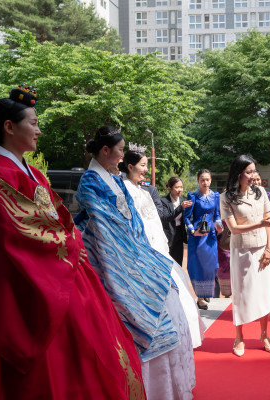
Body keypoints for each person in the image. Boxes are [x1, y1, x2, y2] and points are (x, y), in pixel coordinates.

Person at [0, 88, 145, 399]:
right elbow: (20, 228)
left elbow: (60, 213)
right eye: (33, 123)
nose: (38, 130)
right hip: (16, 275)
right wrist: (69, 244)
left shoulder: (31, 172)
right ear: (9, 127)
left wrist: (71, 238)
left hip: (56, 263)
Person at [75, 126, 195, 399]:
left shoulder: (115, 179)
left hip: (132, 252)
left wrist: (141, 253)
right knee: (134, 313)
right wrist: (129, 259)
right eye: (119, 150)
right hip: (108, 259)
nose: (122, 155)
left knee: (167, 296)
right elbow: (104, 228)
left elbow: (134, 222)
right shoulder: (90, 181)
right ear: (106, 150)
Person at [121, 149, 205, 349]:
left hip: (159, 245)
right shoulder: (123, 190)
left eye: (146, 165)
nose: (146, 170)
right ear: (130, 167)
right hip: (140, 247)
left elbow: (156, 219)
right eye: (142, 165)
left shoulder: (147, 191)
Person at [219, 155, 270, 357]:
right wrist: (260, 225)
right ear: (239, 173)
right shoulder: (226, 197)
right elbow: (234, 229)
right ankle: (239, 337)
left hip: (262, 250)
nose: (253, 175)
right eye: (249, 172)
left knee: (264, 293)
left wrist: (269, 249)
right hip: (242, 251)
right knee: (242, 294)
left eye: (254, 171)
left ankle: (264, 335)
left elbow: (269, 222)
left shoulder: (260, 192)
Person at [184, 169, 223, 310]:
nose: (205, 182)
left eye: (207, 179)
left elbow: (216, 215)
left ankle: (206, 291)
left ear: (210, 180)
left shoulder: (215, 196)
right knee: (198, 265)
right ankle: (200, 298)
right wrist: (192, 231)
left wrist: (219, 224)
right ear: (198, 181)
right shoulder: (193, 196)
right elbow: (186, 217)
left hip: (210, 235)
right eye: (202, 180)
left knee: (210, 265)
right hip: (197, 235)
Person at [161, 176, 192, 266]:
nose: (180, 190)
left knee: (178, 263)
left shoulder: (182, 200)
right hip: (168, 235)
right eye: (177, 187)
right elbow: (166, 218)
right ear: (169, 188)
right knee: (168, 263)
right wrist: (180, 207)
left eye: (181, 187)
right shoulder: (163, 201)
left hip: (179, 234)